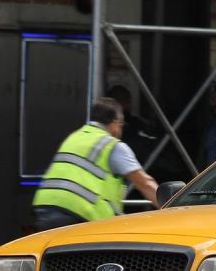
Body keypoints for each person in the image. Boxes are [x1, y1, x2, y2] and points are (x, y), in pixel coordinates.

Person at [33, 97, 159, 231]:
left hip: (45, 208)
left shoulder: (74, 137)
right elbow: (145, 184)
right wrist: (171, 207)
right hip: (78, 215)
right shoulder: (113, 146)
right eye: (121, 125)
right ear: (116, 123)